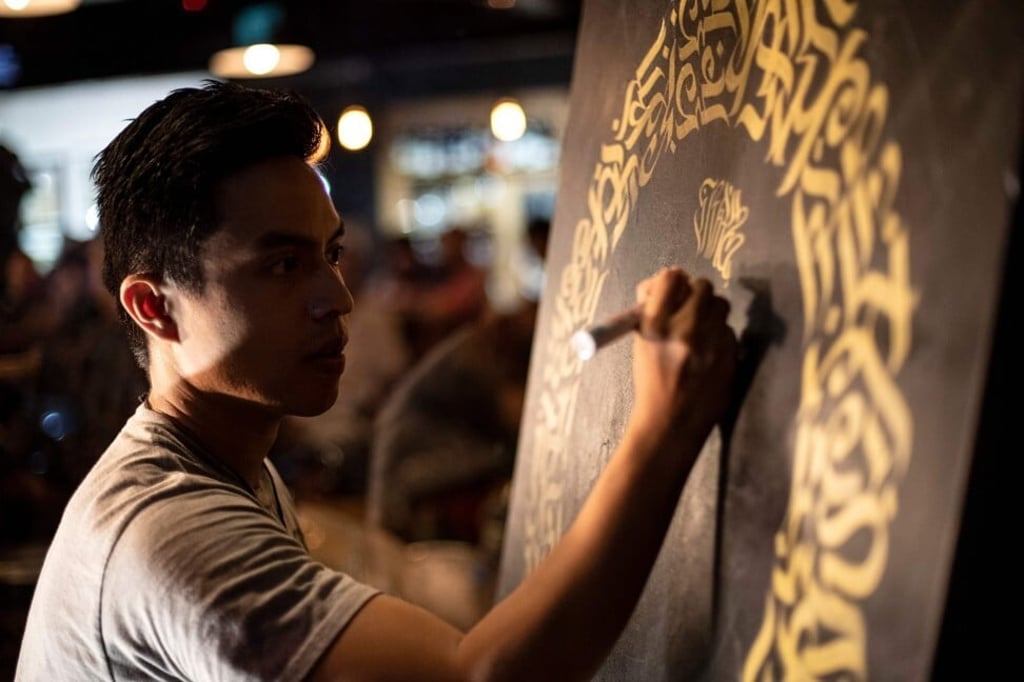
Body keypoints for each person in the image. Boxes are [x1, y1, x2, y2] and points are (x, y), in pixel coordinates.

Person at [15, 81, 737, 681]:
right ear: (154, 307)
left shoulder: (229, 463)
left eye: (329, 254)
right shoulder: (165, 529)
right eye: (283, 265)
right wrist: (662, 428)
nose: (337, 296)